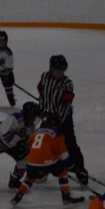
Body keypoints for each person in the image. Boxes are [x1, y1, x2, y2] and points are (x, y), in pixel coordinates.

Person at [10, 111, 86, 208]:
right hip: (47, 162)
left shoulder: (35, 133)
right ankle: (66, 197)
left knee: (30, 178)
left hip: (31, 162)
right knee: (62, 173)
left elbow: (32, 147)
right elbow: (64, 156)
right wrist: (73, 168)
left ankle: (17, 197)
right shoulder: (57, 134)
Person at [36, 54, 88, 185]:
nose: (60, 73)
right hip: (47, 116)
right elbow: (41, 94)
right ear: (51, 69)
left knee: (70, 144)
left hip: (63, 119)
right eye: (57, 70)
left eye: (62, 71)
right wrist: (42, 110)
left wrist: (57, 120)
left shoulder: (67, 84)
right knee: (45, 143)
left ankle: (80, 170)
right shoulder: (44, 77)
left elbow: (66, 105)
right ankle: (43, 169)